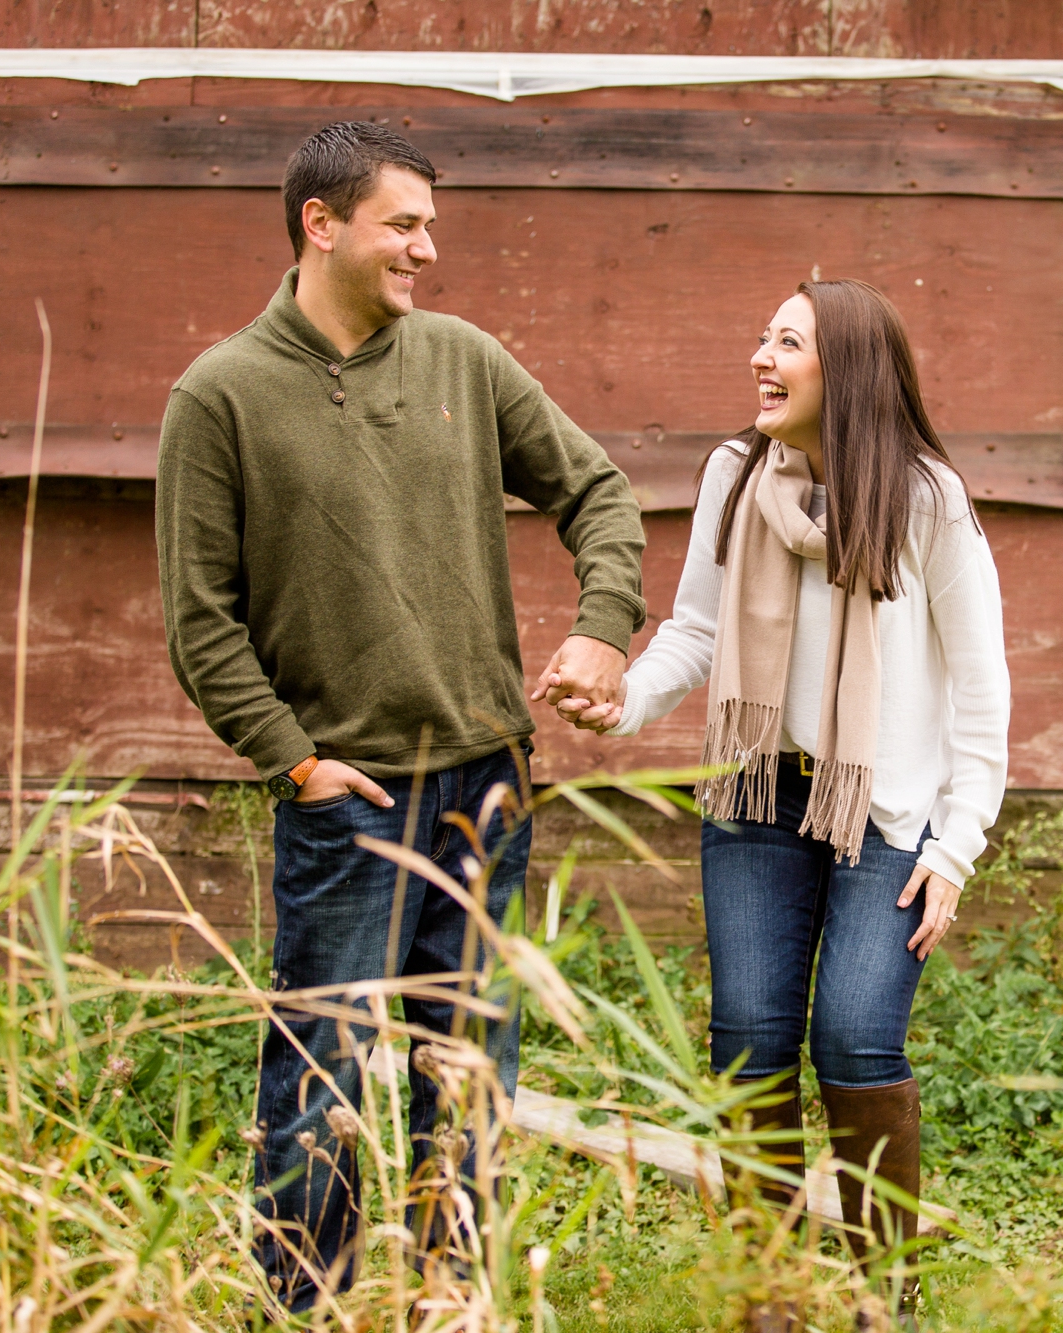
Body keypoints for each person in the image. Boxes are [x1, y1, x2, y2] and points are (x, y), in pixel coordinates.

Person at [155, 120, 646, 1310]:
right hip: (348, 800)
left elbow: (596, 491)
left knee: (471, 1073)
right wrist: (293, 762)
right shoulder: (218, 395)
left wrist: (602, 623)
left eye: (431, 224)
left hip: (485, 786)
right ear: (321, 224)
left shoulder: (463, 361)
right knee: (317, 1078)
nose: (428, 248)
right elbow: (200, 618)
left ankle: (450, 1301)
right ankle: (306, 1302)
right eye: (405, 224)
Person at [554, 278, 1009, 1329]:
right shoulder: (735, 474)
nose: (760, 357)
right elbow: (697, 632)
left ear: (842, 366)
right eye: (760, 336)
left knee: (854, 1037)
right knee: (748, 1039)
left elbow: (980, 692)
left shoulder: (926, 499)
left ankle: (870, 1298)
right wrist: (620, 698)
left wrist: (954, 848)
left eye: (787, 342)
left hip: (885, 815)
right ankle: (769, 1295)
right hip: (757, 797)